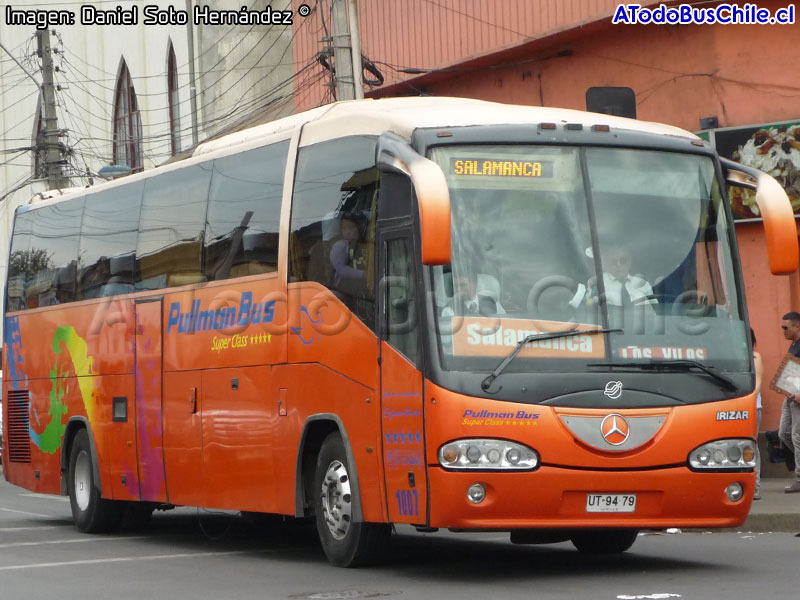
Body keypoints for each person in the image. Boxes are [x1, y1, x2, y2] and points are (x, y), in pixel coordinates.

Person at [778, 311, 800, 493]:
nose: (783, 331)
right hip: (790, 395)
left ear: (797, 326)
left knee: (796, 437)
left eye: (786, 327)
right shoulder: (793, 346)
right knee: (783, 434)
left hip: (798, 397)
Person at [329, 216, 367, 297]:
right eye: (344, 228)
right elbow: (340, 269)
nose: (347, 232)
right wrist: (363, 275)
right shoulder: (339, 246)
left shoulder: (365, 246)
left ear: (359, 228)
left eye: (351, 228)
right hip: (342, 292)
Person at [752, 327, 763, 500]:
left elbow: (758, 383)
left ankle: (755, 486)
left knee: (752, 444)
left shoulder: (755, 357)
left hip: (752, 407)